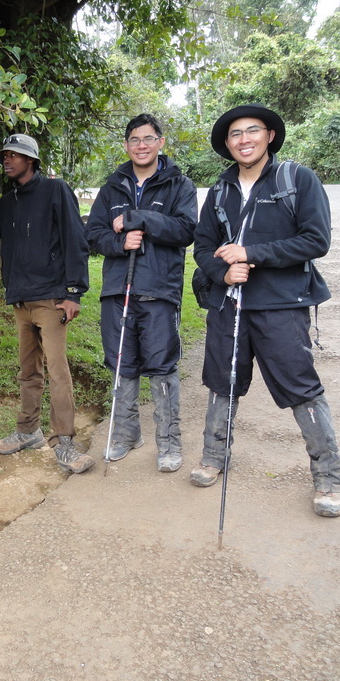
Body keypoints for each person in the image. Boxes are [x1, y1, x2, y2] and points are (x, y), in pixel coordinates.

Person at [190, 104, 340, 517]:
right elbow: (203, 247)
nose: (244, 140)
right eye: (235, 134)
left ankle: (329, 476)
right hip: (228, 305)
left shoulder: (297, 179)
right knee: (221, 383)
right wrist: (222, 274)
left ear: (269, 135)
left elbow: (316, 240)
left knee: (301, 387)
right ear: (227, 144)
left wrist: (251, 253)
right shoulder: (220, 191)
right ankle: (213, 456)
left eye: (252, 130)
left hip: (280, 306)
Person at [0, 134, 94, 475]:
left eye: (14, 155)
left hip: (51, 299)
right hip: (20, 299)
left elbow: (76, 239)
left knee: (57, 371)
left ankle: (64, 442)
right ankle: (28, 431)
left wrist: (74, 292)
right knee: (28, 370)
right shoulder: (9, 201)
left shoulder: (56, 191)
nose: (7, 160)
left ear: (31, 160)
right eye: (5, 155)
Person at [85, 114, 197, 472]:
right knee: (122, 364)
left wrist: (139, 218)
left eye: (149, 138)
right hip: (117, 291)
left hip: (158, 291)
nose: (142, 145)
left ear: (161, 142)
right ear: (126, 145)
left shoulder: (179, 184)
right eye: (135, 139)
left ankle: (169, 442)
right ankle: (126, 433)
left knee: (162, 367)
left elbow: (186, 230)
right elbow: (93, 234)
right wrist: (120, 243)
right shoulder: (112, 186)